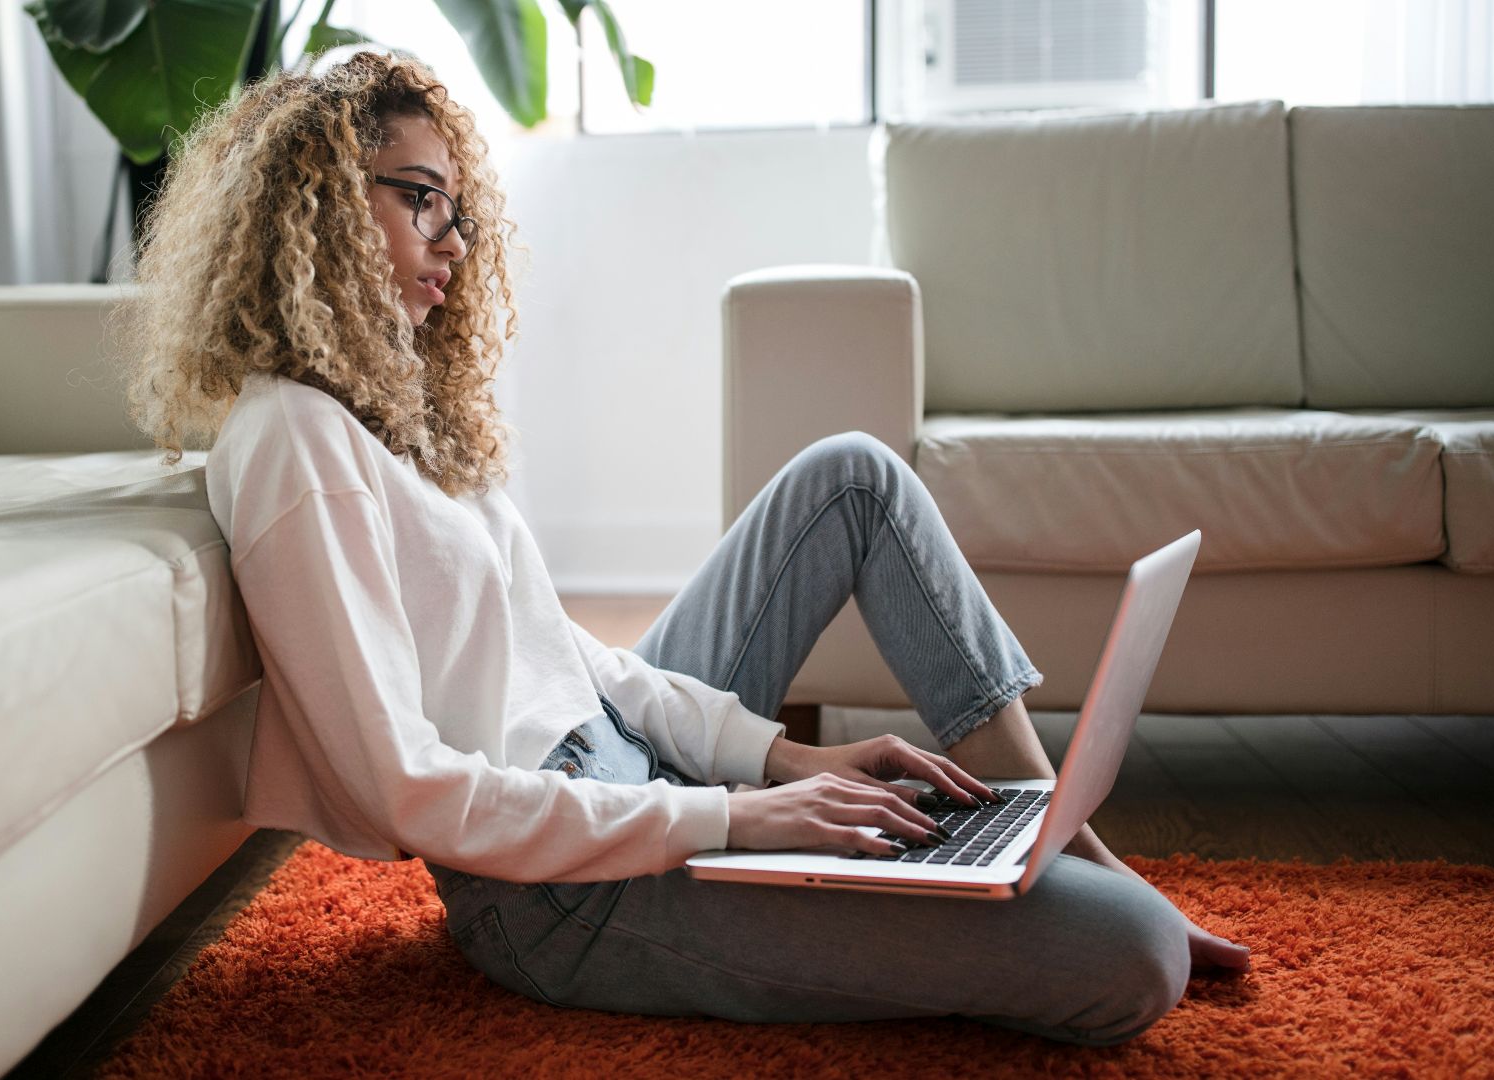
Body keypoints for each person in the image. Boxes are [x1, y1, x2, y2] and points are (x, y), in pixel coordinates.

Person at [110, 49, 1248, 1047]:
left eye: (458, 208)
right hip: (554, 892)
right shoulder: (291, 442)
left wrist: (777, 762)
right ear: (312, 206)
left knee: (851, 473)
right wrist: (733, 817)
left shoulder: (396, 412)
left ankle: (1051, 832)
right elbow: (408, 790)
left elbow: (569, 657)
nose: (452, 240)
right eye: (421, 199)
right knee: (1135, 956)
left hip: (623, 769)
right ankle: (1047, 886)